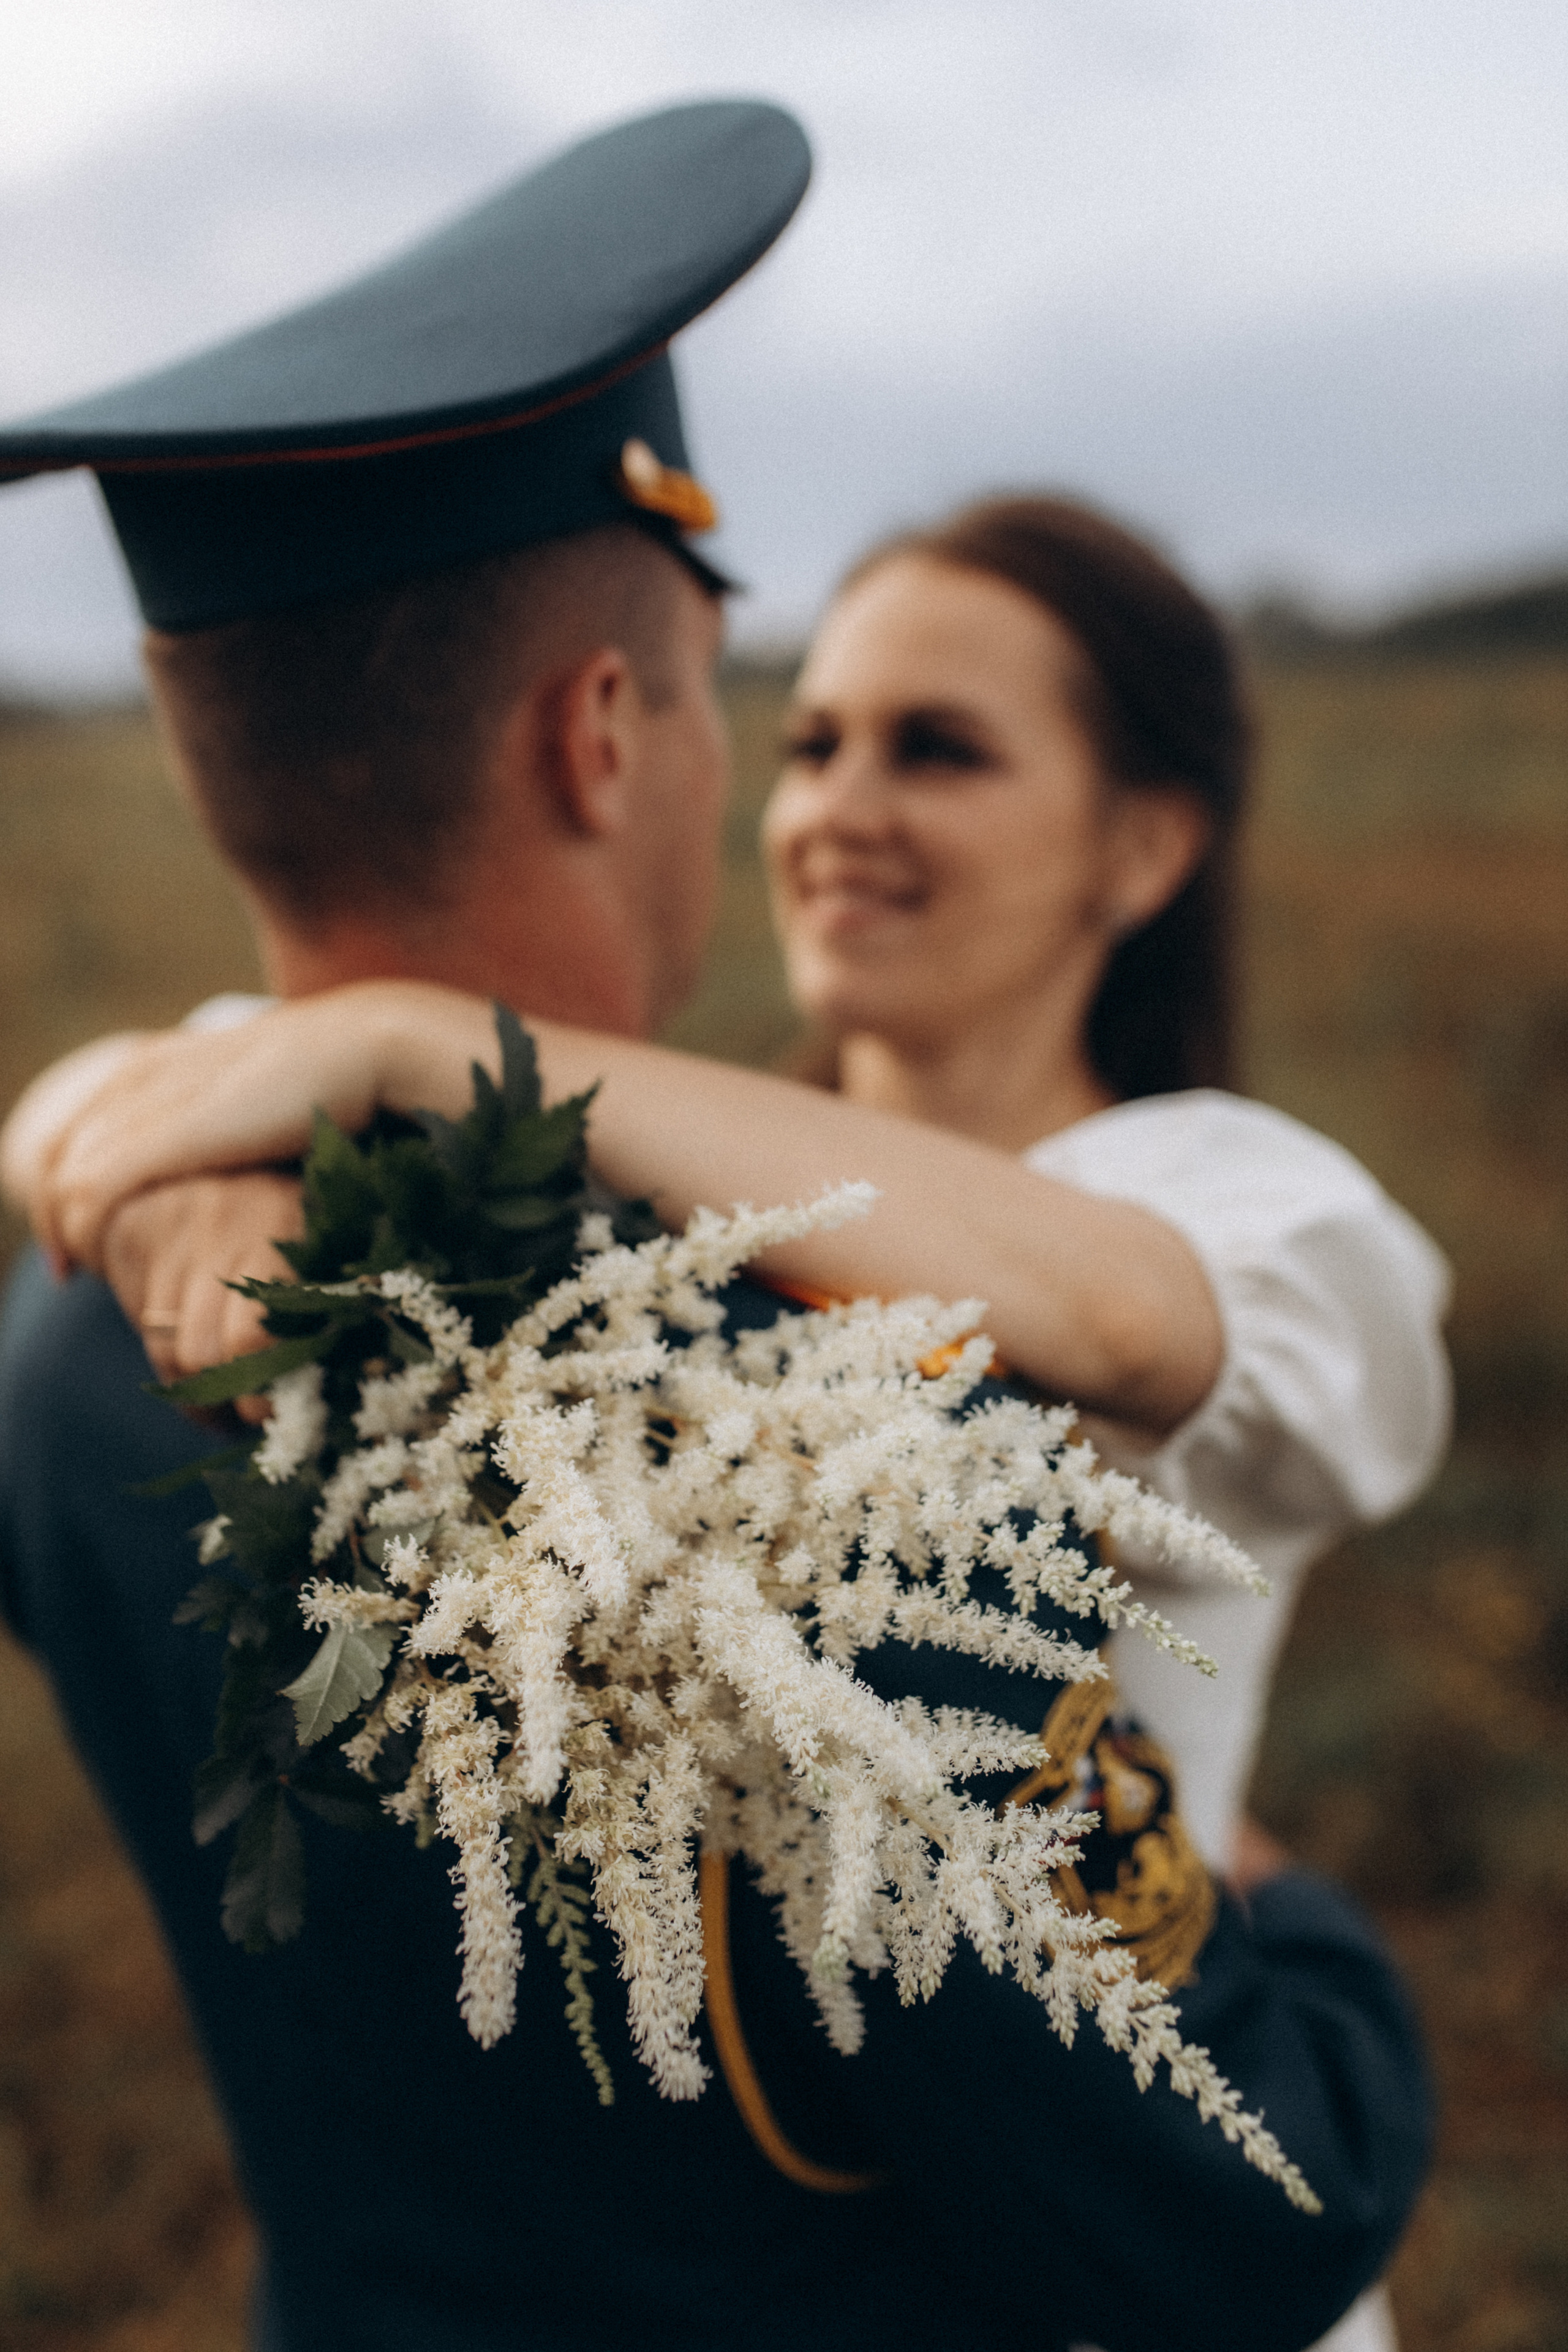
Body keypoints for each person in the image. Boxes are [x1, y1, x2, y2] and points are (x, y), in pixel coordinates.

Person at [0, 105, 1432, 2352]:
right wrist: (1314, 1933)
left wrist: (142, 1100)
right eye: (756, 719)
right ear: (602, 736)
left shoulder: (88, 1301)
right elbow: (1245, 2202)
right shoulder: (829, 1456)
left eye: (926, 750)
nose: (822, 803)